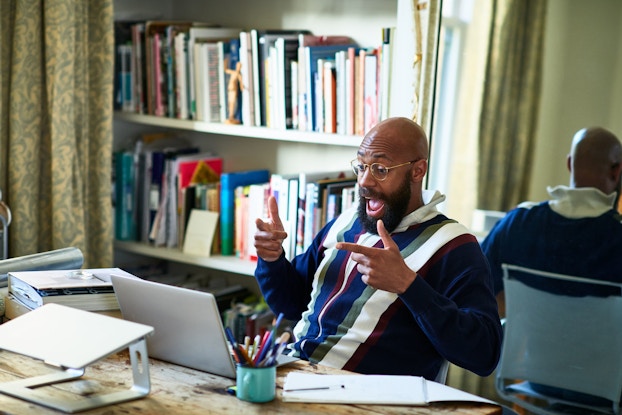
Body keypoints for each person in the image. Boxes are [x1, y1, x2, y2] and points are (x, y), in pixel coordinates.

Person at [253, 117, 502, 381]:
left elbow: (484, 355)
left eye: (380, 169)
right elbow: (291, 304)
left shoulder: (453, 245)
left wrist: (408, 285)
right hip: (296, 375)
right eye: (361, 167)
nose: (364, 181)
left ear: (418, 171)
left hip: (365, 399)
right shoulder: (347, 221)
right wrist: (273, 260)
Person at [481, 126, 622, 316]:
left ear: (570, 164)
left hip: (527, 347)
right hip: (601, 347)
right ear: (617, 171)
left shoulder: (516, 224)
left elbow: (474, 289)